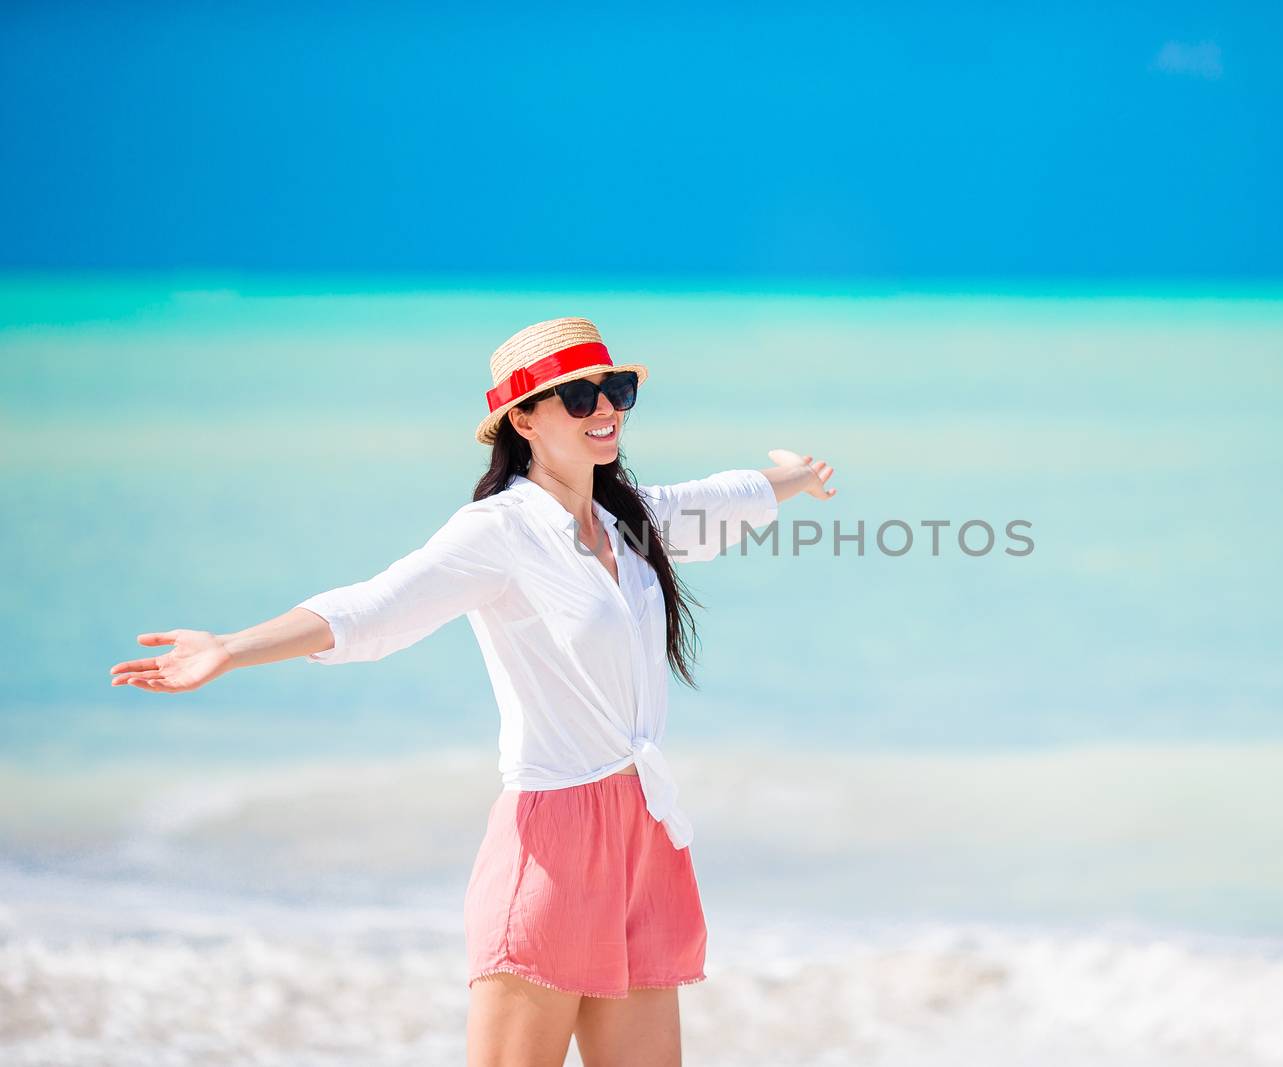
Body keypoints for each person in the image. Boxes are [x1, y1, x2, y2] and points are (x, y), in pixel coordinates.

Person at [107, 316, 836, 1067]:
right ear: (522, 418)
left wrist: (797, 477)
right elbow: (376, 604)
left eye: (617, 390)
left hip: (645, 834)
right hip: (553, 841)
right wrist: (231, 648)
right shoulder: (498, 532)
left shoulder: (630, 521)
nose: (607, 409)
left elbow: (726, 496)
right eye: (579, 397)